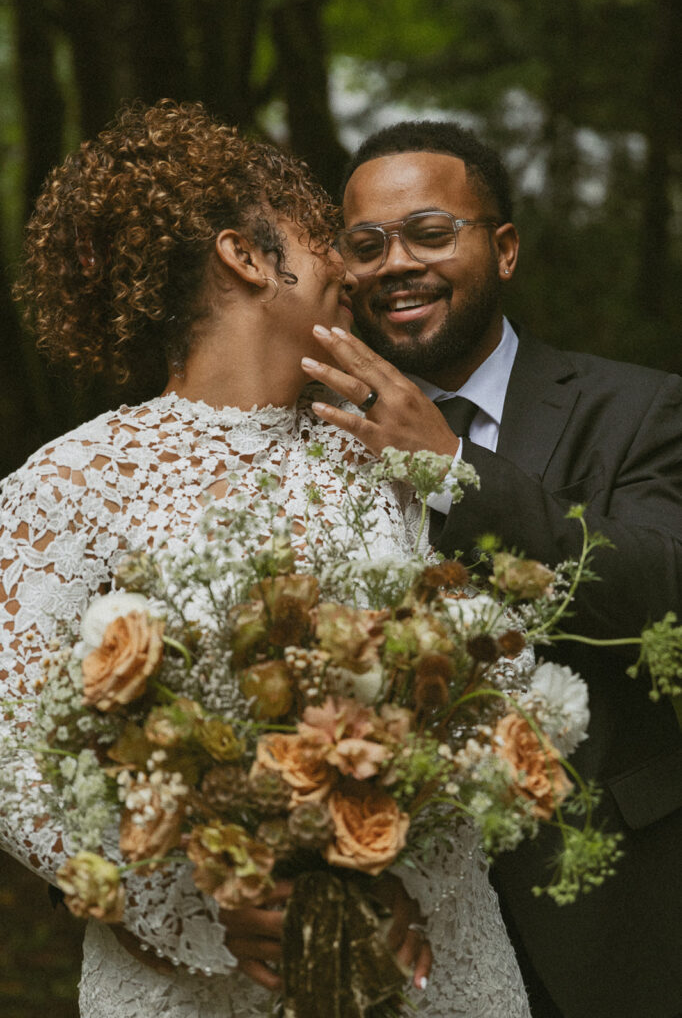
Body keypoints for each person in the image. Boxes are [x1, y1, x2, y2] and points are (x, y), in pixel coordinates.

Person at [0, 103, 532, 1018]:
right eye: (324, 238)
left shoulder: (383, 453)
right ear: (247, 257)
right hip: (203, 977)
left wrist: (403, 854)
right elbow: (17, 752)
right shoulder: (71, 482)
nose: (351, 266)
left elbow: (490, 672)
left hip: (428, 954)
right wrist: (187, 900)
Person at [299, 120, 682, 1018]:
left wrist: (452, 473)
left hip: (606, 925)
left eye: (430, 233)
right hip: (387, 924)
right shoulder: (310, 434)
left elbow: (662, 596)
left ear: (503, 249)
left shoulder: (639, 406)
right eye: (367, 244)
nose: (397, 263)